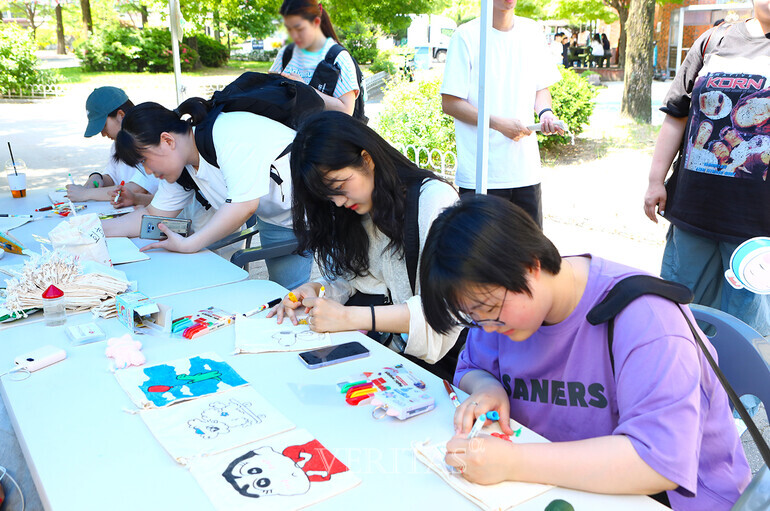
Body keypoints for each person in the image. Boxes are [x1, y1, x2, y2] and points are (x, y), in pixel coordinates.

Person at [419, 195, 751, 511]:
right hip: (558, 488)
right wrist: (486, 388)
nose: (486, 328)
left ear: (530, 265)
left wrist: (512, 462)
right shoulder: (502, 315)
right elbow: (472, 368)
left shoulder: (645, 318)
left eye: (490, 309)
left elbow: (656, 462)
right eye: (474, 318)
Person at [269, 111, 461, 366]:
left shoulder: (433, 202)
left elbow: (443, 313)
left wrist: (348, 317)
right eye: (327, 196)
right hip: (381, 356)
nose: (337, 201)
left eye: (338, 186)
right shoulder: (355, 210)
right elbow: (357, 280)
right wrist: (317, 291)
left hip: (434, 367)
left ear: (367, 159)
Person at [643, 1, 770, 336]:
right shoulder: (713, 41)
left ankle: (737, 392)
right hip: (694, 211)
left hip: (758, 228)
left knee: (746, 336)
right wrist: (656, 180)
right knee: (679, 321)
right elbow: (676, 117)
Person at [102, 100, 312, 290]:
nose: (148, 171)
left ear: (167, 140)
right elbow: (152, 215)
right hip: (274, 217)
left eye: (145, 160)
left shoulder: (228, 134)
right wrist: (94, 229)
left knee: (304, 294)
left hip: (316, 210)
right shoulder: (182, 166)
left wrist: (190, 244)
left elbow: (243, 205)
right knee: (286, 297)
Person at [440, 0, 564, 228]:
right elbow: (450, 103)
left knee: (530, 258)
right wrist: (497, 123)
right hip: (481, 176)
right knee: (483, 261)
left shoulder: (532, 32)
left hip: (525, 172)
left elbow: (541, 89)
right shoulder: (466, 36)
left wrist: (546, 113)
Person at [66, 86, 158, 206]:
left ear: (121, 115)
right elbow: (113, 177)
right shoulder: (117, 144)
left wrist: (86, 194)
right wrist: (97, 177)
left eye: (103, 126)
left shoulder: (149, 140)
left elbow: (136, 189)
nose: (103, 134)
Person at [269, 0, 361, 117]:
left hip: (321, 132)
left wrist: (304, 89)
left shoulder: (338, 57)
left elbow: (346, 110)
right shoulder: (286, 53)